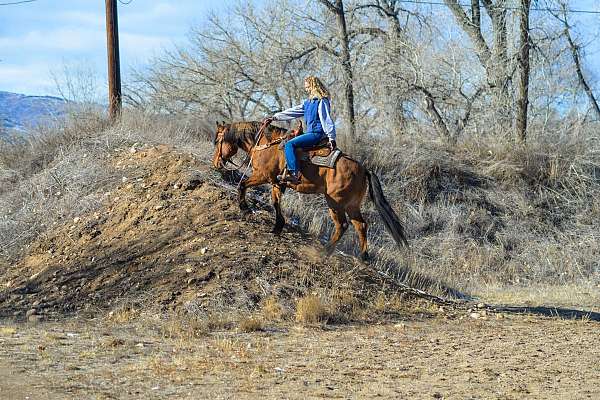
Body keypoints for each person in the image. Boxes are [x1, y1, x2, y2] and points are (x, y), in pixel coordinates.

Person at [265, 76, 336, 184]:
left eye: (308, 87)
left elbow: (326, 119)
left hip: (317, 134)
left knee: (289, 144)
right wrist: (275, 117)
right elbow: (292, 111)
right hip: (311, 133)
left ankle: (294, 173)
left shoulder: (321, 101)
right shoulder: (308, 103)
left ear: (313, 86)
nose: (306, 89)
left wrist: (331, 137)